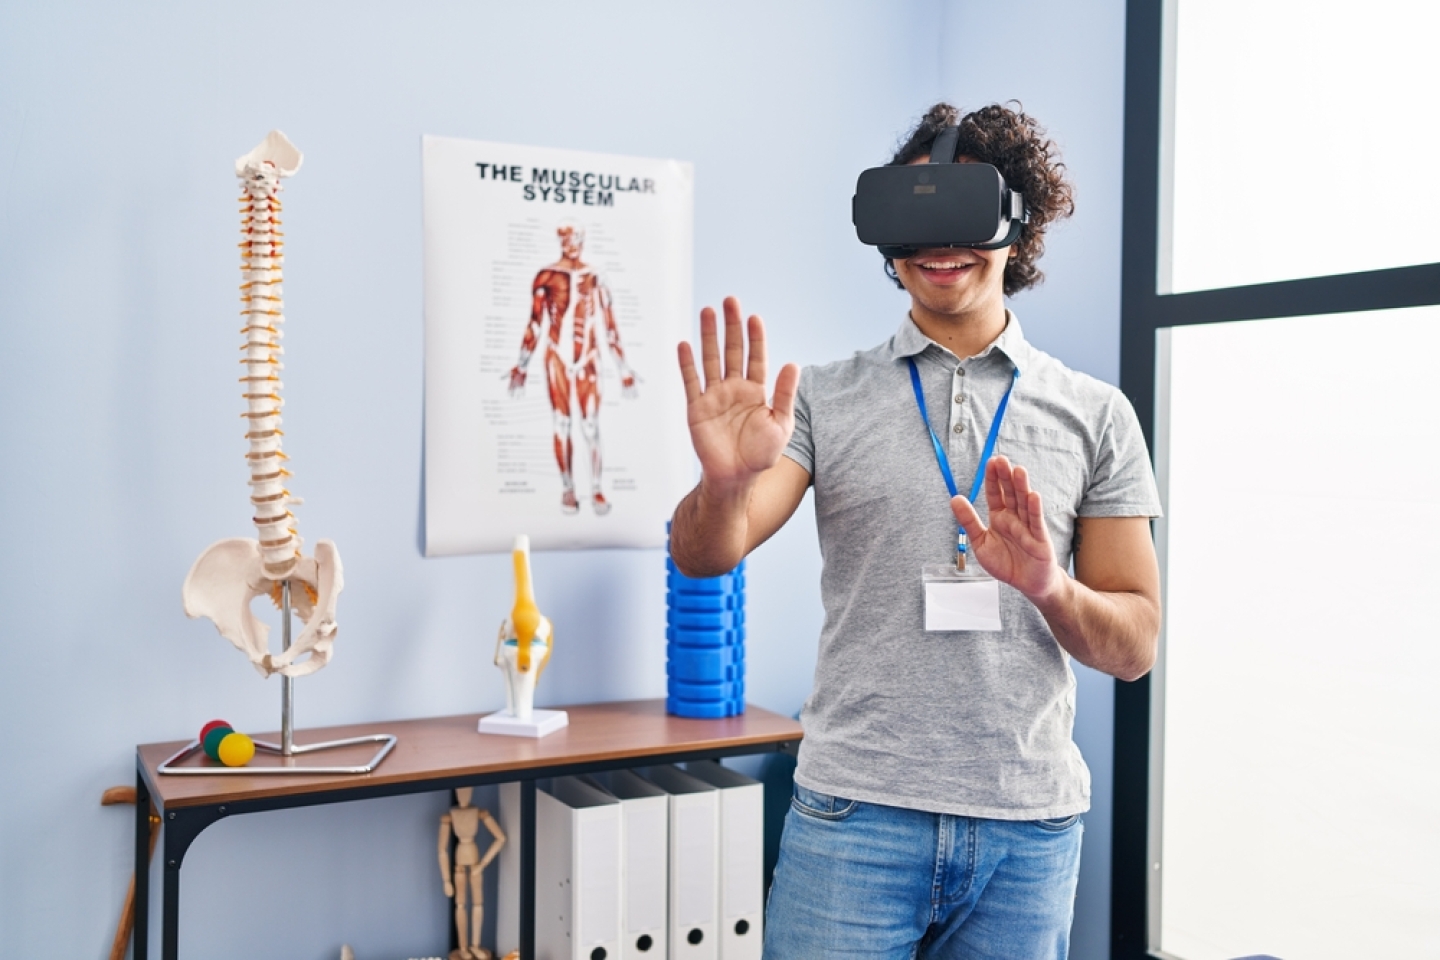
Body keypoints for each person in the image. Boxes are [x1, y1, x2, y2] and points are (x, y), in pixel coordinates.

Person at [668, 103, 1163, 959]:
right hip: (855, 818)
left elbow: (1134, 648)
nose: (940, 245)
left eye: (965, 212)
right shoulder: (823, 397)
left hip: (1029, 830)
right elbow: (705, 554)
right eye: (915, 217)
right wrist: (724, 482)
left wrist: (1051, 587)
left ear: (1021, 223)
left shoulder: (1098, 415)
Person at [506, 221, 638, 515]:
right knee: (561, 424)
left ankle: (596, 490)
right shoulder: (546, 276)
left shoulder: (596, 277)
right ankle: (568, 489)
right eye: (566, 237)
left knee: (591, 426)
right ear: (559, 240)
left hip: (588, 358)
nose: (571, 242)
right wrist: (522, 365)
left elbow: (610, 325)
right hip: (557, 358)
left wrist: (624, 368)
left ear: (583, 238)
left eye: (576, 236)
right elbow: (535, 322)